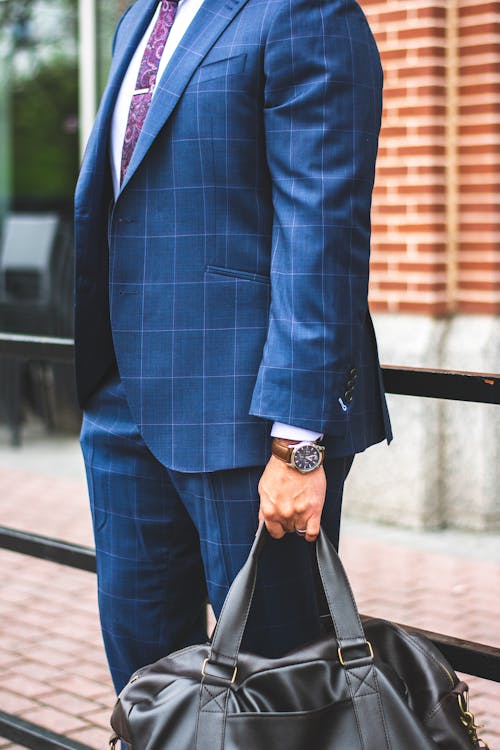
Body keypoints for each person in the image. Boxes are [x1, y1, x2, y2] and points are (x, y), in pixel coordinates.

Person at [75, 0, 392, 695]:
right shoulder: (136, 21)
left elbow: (322, 229)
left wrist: (298, 445)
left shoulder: (303, 10)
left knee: (280, 694)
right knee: (145, 693)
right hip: (122, 406)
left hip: (249, 421)